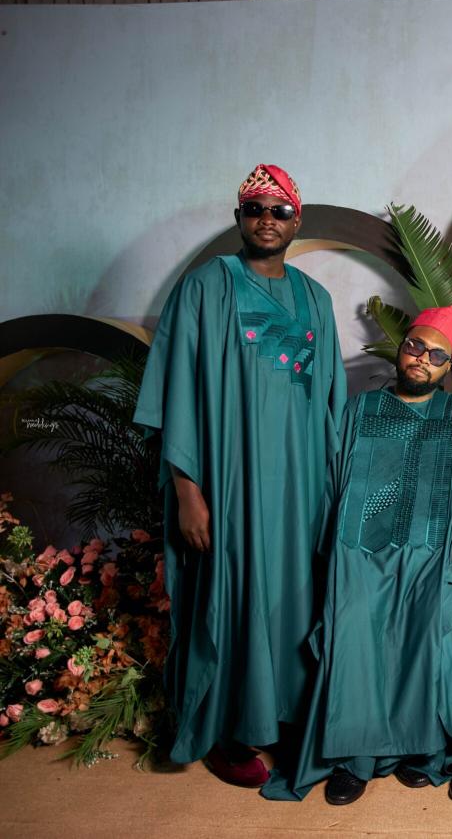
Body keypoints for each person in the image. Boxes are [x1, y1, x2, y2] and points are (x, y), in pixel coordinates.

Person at [134, 164, 345, 787]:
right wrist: (187, 491)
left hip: (299, 488)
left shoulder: (316, 299)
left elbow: (331, 405)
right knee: (232, 593)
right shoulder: (205, 288)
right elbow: (177, 391)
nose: (267, 220)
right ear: (238, 218)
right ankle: (230, 730)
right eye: (255, 209)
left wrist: (333, 494)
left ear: (297, 222)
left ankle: (286, 717)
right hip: (229, 483)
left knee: (295, 598)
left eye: (280, 211)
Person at [260, 306, 452, 805]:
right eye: (416, 346)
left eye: (437, 355)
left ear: (448, 366)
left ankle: (419, 751)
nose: (422, 359)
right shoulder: (359, 410)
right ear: (401, 345)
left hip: (431, 555)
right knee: (352, 631)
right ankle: (355, 760)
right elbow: (325, 481)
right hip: (358, 553)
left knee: (432, 630)